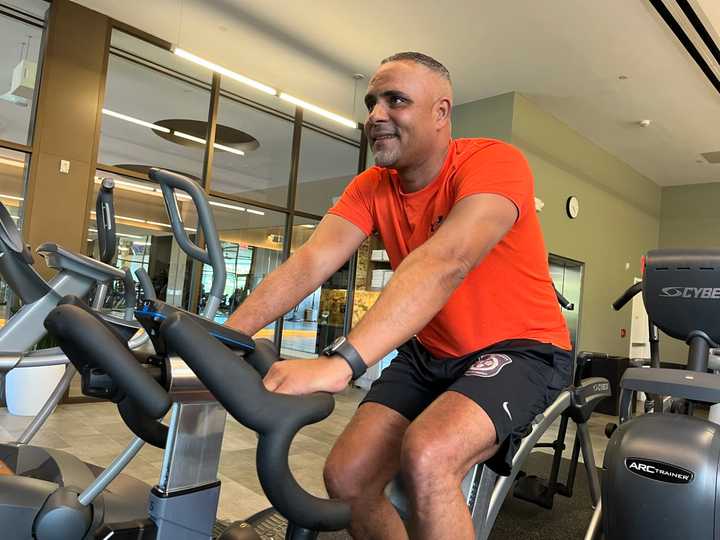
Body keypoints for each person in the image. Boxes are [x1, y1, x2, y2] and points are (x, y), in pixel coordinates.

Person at [225, 51, 571, 540]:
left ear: (440, 112)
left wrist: (341, 363)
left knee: (428, 454)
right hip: (430, 353)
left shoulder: (494, 162)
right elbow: (310, 262)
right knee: (347, 477)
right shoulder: (371, 186)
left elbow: (446, 261)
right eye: (371, 102)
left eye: (396, 100)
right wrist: (227, 336)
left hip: (521, 349)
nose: (375, 115)